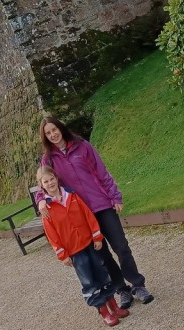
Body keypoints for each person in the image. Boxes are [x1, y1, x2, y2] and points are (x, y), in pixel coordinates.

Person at [35, 115, 154, 309]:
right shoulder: (48, 159)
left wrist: (115, 196)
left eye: (54, 130)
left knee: (121, 247)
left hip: (102, 204)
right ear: (45, 137)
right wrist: (40, 201)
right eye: (48, 133)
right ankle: (122, 290)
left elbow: (101, 171)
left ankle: (138, 285)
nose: (53, 135)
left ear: (61, 128)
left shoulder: (82, 146)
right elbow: (44, 182)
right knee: (103, 256)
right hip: (81, 215)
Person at [36, 166, 127, 326]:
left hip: (89, 243)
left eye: (52, 179)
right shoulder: (47, 209)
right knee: (89, 281)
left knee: (102, 274)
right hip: (74, 252)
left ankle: (113, 306)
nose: (50, 183)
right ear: (41, 185)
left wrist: (97, 236)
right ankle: (103, 311)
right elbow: (52, 235)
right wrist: (62, 254)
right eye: (46, 181)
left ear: (57, 178)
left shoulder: (72, 196)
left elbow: (88, 216)